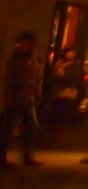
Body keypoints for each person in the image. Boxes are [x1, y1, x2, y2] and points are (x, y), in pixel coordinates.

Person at [0, 32, 40, 167]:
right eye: (25, 43)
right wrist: (9, 95)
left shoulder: (33, 58)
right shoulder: (14, 58)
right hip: (15, 98)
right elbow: (8, 78)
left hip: (28, 98)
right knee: (8, 128)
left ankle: (27, 155)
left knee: (31, 126)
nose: (27, 46)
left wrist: (36, 93)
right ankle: (2, 157)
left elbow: (36, 77)